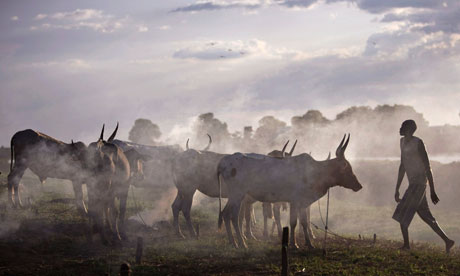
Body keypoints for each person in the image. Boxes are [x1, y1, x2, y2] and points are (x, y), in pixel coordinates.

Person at [392, 119, 454, 253]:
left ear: (408, 129)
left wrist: (432, 190)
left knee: (402, 213)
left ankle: (407, 246)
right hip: (413, 183)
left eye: (402, 126)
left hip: (419, 184)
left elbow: (428, 167)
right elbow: (402, 166)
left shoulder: (418, 143)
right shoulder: (402, 142)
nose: (400, 128)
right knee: (426, 216)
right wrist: (397, 188)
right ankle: (448, 241)